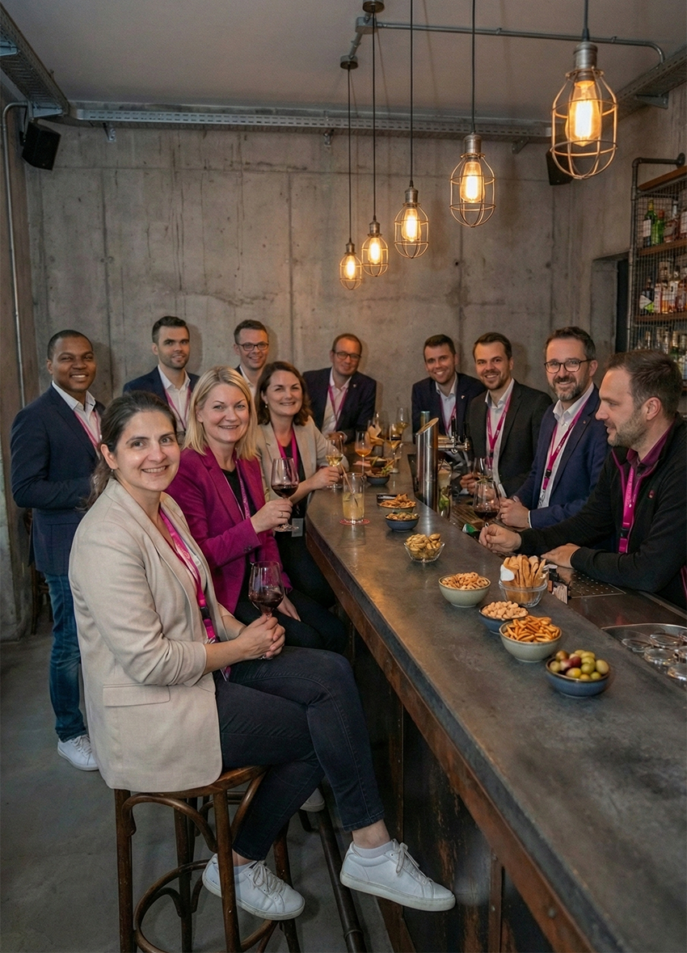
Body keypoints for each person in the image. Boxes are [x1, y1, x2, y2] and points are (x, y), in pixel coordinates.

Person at [69, 391, 456, 920]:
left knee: (332, 674)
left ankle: (369, 846)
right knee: (318, 731)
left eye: (164, 439)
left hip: (202, 670)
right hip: (156, 708)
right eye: (137, 444)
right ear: (110, 455)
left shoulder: (163, 506)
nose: (157, 454)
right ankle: (240, 860)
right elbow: (149, 663)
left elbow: (200, 598)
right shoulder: (106, 538)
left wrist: (245, 627)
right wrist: (239, 645)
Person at [480, 350, 687, 609]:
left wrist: (578, 557)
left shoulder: (681, 465)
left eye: (612, 404)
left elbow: (649, 569)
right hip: (636, 601)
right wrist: (522, 541)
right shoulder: (623, 455)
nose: (599, 414)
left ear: (651, 408)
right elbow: (587, 523)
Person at [167, 367, 347, 653]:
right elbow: (198, 557)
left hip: (260, 587)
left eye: (239, 406)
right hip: (225, 595)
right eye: (219, 407)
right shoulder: (187, 468)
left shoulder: (246, 460)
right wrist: (254, 525)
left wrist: (278, 589)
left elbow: (267, 537)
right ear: (198, 412)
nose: (232, 416)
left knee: (336, 631)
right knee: (310, 641)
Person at [10, 330, 103, 771]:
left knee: (102, 640)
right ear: (50, 365)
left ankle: (100, 723)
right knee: (68, 644)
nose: (79, 365)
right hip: (63, 548)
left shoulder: (99, 411)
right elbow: (25, 489)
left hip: (103, 545)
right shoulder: (36, 416)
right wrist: (92, 487)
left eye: (86, 357)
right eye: (67, 358)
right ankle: (69, 732)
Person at [255, 360, 349, 623]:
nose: (289, 395)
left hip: (305, 525)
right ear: (264, 395)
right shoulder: (254, 437)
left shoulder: (305, 426)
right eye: (279, 389)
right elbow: (265, 502)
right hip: (274, 534)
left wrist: (328, 472)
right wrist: (310, 483)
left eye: (295, 388)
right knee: (322, 587)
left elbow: (340, 461)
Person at [499, 327, 608, 529]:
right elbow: (538, 475)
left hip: (572, 546)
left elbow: (597, 504)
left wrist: (531, 519)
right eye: (554, 364)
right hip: (539, 535)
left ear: (592, 367)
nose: (562, 373)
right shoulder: (550, 413)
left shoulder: (604, 420)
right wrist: (515, 503)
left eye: (572, 363)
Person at [460, 332, 551, 497]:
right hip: (484, 504)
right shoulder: (476, 406)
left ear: (510, 363)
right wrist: (472, 480)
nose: (489, 368)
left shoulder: (537, 403)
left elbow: (543, 466)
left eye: (496, 360)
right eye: (482, 362)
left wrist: (498, 491)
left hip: (519, 505)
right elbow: (476, 459)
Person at [123, 315, 199, 435]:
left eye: (183, 342)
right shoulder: (136, 390)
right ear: (155, 349)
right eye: (169, 343)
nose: (178, 348)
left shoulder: (202, 385)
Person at [303, 334, 377, 442]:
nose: (348, 361)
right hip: (311, 445)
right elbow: (298, 418)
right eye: (342, 354)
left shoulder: (366, 386)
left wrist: (342, 436)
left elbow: (363, 427)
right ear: (332, 356)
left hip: (342, 450)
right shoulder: (310, 380)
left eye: (354, 356)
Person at [411, 333, 485, 436]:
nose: (437, 365)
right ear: (426, 366)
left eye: (443, 358)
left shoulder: (476, 389)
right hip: (435, 452)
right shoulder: (420, 391)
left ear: (455, 359)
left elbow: (479, 435)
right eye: (431, 361)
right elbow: (418, 435)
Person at [233, 319, 270, 398]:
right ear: (237, 349)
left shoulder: (276, 382)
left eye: (261, 344)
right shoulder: (228, 383)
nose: (256, 351)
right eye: (248, 345)